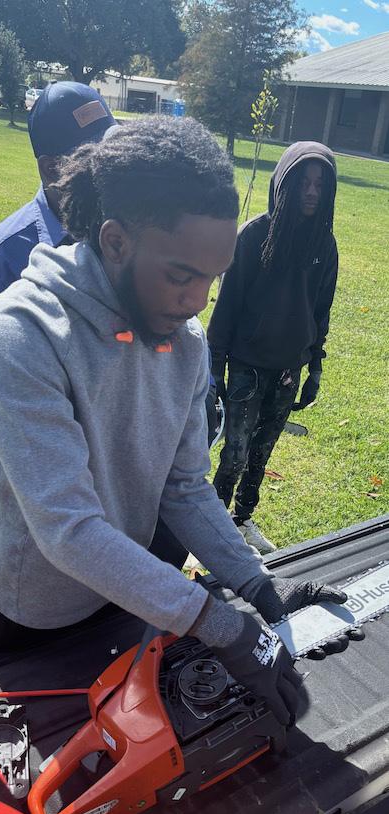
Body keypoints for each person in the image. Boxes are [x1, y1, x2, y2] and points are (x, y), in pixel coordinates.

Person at [0, 118, 346, 728]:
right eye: (181, 275)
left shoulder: (186, 344)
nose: (198, 301)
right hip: (29, 620)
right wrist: (221, 625)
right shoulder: (23, 333)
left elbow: (184, 487)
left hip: (130, 596)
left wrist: (258, 587)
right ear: (115, 241)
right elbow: (68, 529)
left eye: (212, 279)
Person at [0, 81, 117, 529]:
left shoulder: (121, 239)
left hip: (106, 462)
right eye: (95, 159)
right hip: (27, 467)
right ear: (52, 168)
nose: (112, 168)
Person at [208, 142, 338, 554]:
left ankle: (242, 520)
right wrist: (214, 372)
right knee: (235, 453)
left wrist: (314, 368)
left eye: (320, 184)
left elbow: (320, 312)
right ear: (285, 183)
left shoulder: (324, 245)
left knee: (261, 454)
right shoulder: (253, 237)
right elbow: (225, 311)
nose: (311, 192)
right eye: (304, 183)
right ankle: (214, 532)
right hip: (246, 366)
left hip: (288, 369)